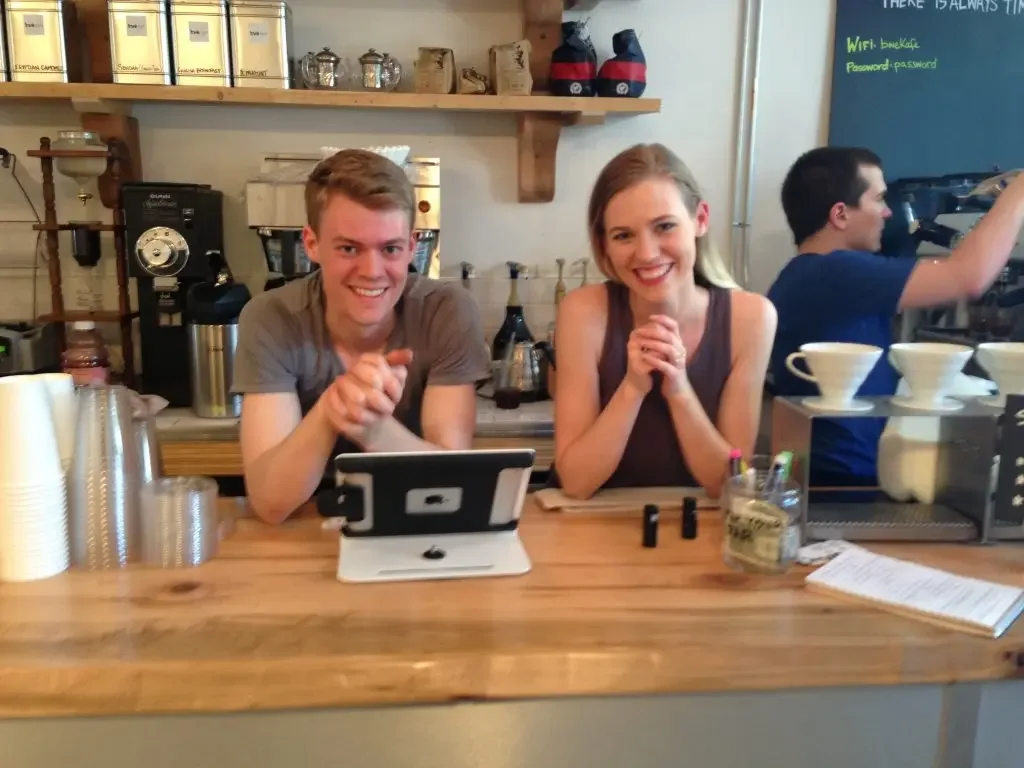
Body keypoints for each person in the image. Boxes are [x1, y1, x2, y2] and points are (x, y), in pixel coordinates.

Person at [232, 149, 491, 524]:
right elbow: (272, 503)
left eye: (390, 248)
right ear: (311, 244)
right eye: (349, 248)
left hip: (418, 518)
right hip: (308, 527)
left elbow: (449, 480)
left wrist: (371, 427)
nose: (372, 271)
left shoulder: (447, 311)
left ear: (412, 246)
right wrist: (330, 409)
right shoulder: (271, 318)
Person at [768, 146, 1024, 486]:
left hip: (834, 476)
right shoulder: (835, 272)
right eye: (879, 199)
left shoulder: (807, 275)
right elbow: (969, 277)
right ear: (841, 214)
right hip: (841, 485)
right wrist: (1019, 191)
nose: (888, 213)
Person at [552, 143, 777, 500]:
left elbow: (729, 486)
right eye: (623, 235)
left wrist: (678, 390)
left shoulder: (752, 318)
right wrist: (632, 388)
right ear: (604, 244)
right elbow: (576, 482)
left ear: (700, 219)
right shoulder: (583, 311)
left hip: (701, 530)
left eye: (664, 226)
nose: (646, 253)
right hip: (595, 528)